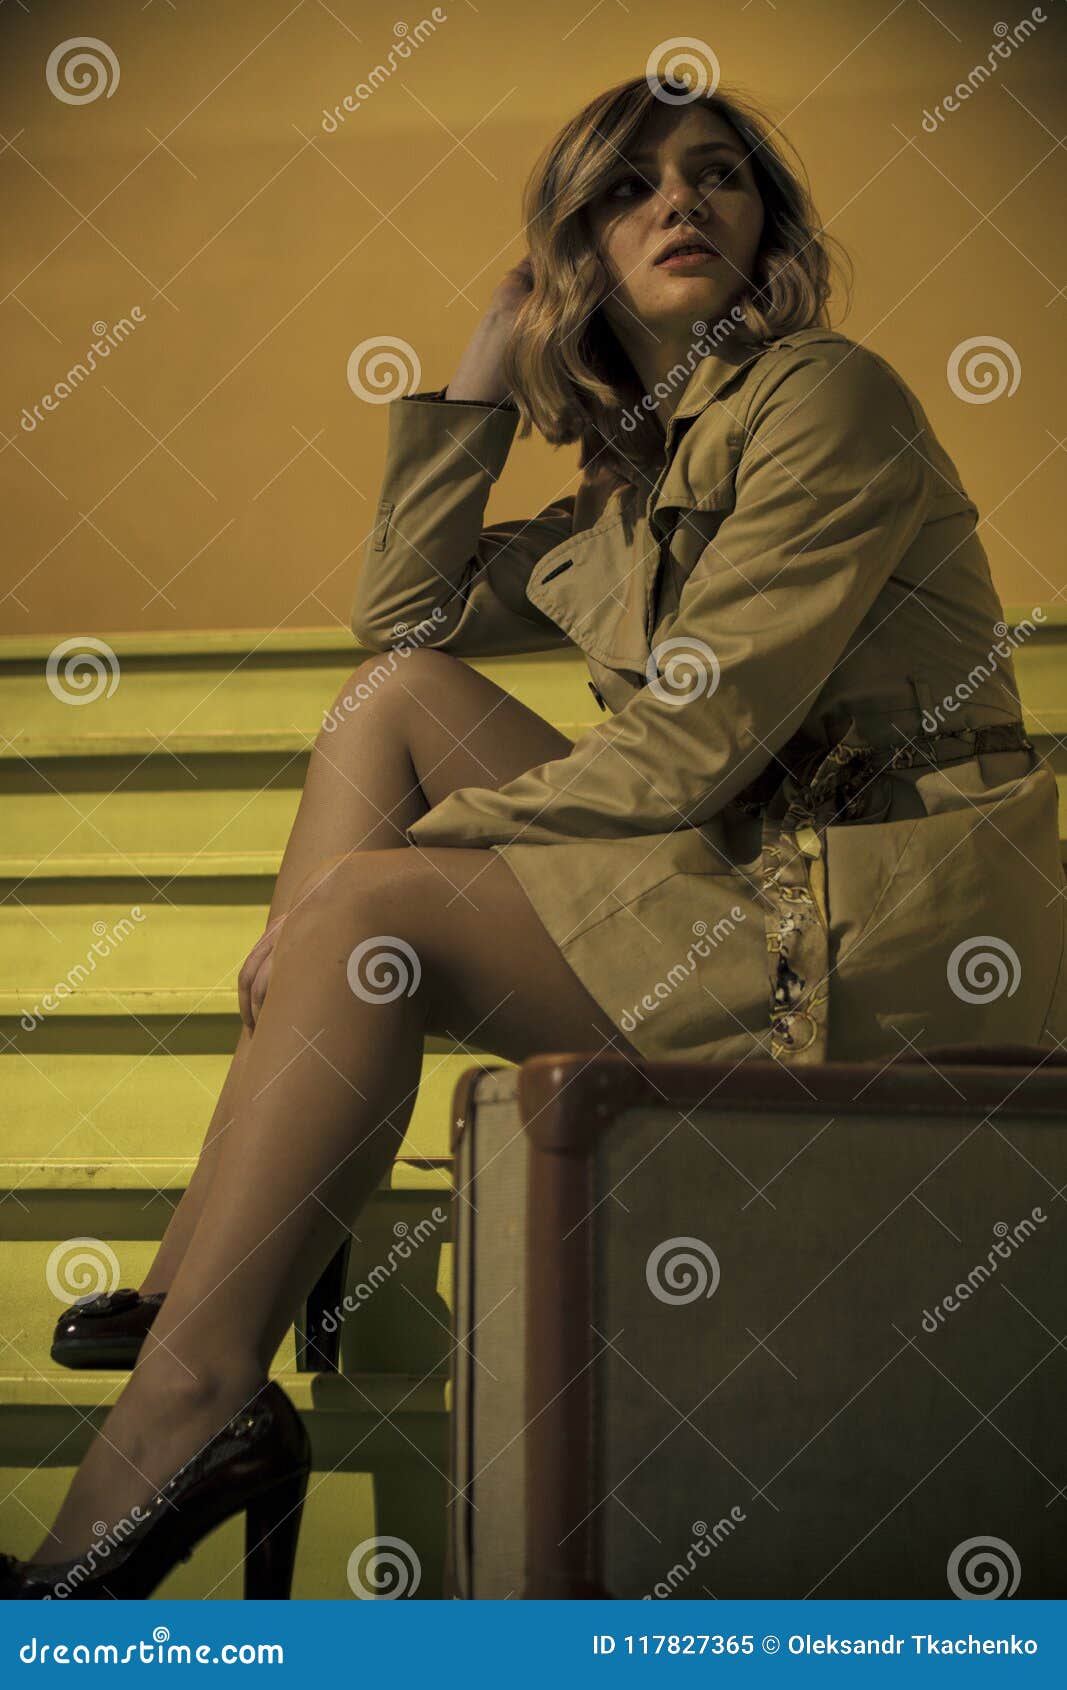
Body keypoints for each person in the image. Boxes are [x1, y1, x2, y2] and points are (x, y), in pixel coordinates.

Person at [4, 72, 1064, 1598]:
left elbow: (699, 736)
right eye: (630, 190)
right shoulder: (620, 506)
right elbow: (404, 618)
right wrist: (481, 380)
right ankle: (207, 1281)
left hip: (886, 925)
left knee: (369, 920)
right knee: (397, 698)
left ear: (767, 229)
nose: (679, 203)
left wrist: (375, 892)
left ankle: (192, 1386)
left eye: (717, 177)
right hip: (745, 886)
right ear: (580, 250)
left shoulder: (829, 400)